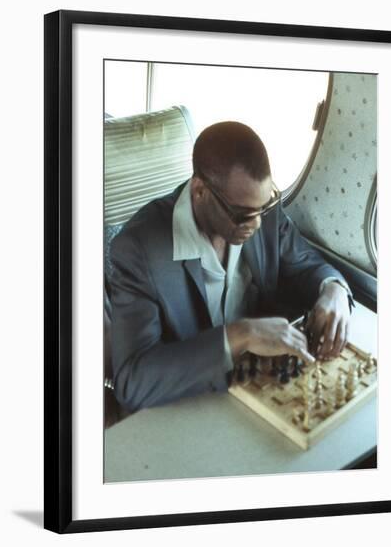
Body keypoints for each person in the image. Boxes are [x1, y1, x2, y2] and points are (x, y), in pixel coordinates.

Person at [109, 121, 353, 413]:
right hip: (190, 402)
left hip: (260, 388)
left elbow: (306, 265)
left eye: (263, 208)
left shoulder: (261, 210)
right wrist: (239, 335)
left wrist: (333, 289)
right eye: (242, 215)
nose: (257, 224)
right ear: (199, 191)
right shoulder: (138, 249)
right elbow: (133, 382)